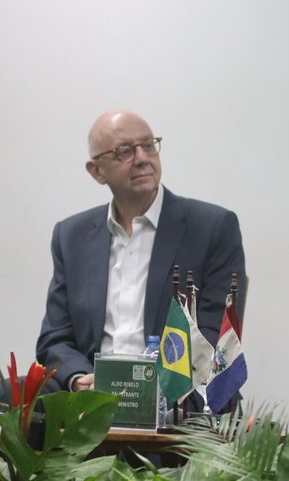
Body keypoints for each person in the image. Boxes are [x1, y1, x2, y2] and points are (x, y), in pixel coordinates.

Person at [18, 109, 246, 403]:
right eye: (124, 151)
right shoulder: (72, 235)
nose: (142, 158)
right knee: (8, 394)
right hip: (91, 396)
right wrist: (80, 380)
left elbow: (216, 334)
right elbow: (55, 338)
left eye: (149, 145)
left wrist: (142, 387)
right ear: (97, 171)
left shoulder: (211, 227)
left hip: (176, 395)